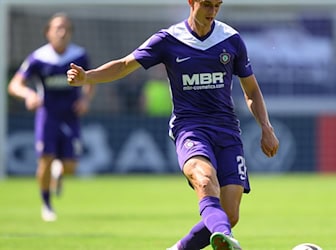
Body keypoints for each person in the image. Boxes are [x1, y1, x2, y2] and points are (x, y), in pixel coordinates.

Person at [67, 0, 279, 249]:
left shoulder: (230, 39)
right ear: (191, 2)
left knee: (230, 213)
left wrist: (266, 127)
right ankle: (227, 241)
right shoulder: (169, 39)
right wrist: (87, 77)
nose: (212, 12)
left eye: (217, 6)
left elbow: (251, 89)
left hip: (227, 130)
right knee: (204, 179)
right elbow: (125, 65)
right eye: (207, 5)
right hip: (190, 128)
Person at [8, 12, 95, 222]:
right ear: (48, 32)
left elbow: (91, 79)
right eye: (58, 28)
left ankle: (60, 171)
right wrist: (28, 94)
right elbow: (14, 85)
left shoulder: (79, 56)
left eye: (66, 29)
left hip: (71, 116)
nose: (62, 32)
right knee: (45, 159)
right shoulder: (38, 58)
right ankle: (47, 205)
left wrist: (85, 100)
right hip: (48, 115)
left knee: (71, 166)